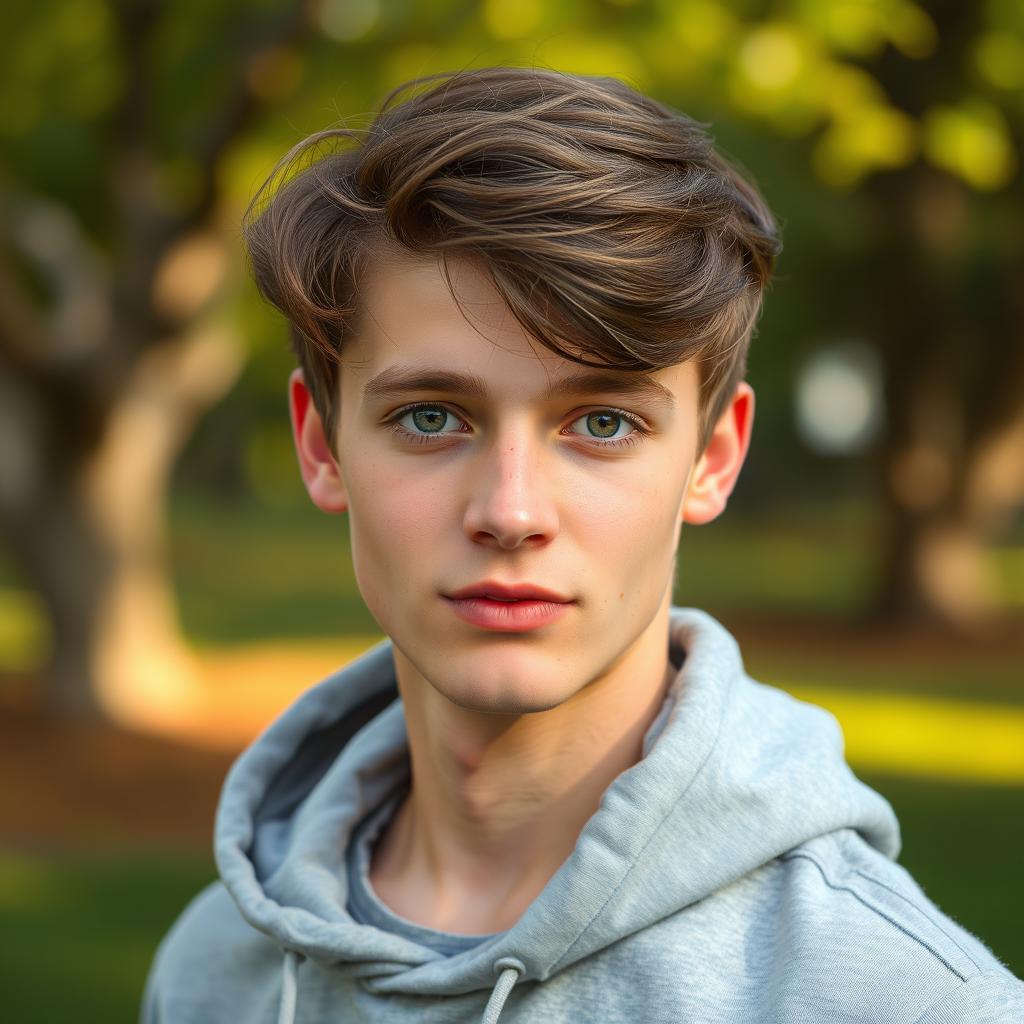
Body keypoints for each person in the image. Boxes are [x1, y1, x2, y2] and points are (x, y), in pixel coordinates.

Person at [141, 66, 1024, 1023]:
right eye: (432, 415)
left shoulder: (909, 1001)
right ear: (323, 446)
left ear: (712, 458)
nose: (512, 511)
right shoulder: (215, 968)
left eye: (602, 423)